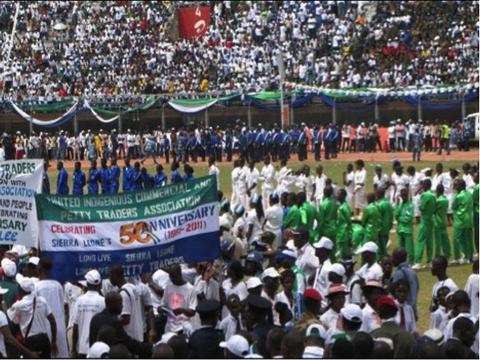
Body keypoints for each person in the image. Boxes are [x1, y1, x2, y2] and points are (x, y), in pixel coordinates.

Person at [89, 292, 152, 358]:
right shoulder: (114, 322)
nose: (122, 306)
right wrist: (148, 347)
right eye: (120, 303)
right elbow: (127, 342)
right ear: (113, 305)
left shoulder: (95, 318)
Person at [8, 274, 57, 358]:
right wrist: (53, 341)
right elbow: (52, 321)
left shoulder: (18, 306)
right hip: (45, 340)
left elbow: (12, 322)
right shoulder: (42, 300)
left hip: (31, 342)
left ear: (21, 290)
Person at [109, 265, 155, 343]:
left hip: (130, 336)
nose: (110, 279)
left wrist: (112, 322)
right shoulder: (132, 288)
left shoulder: (123, 293)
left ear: (116, 276)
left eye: (110, 276)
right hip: (138, 334)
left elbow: (126, 319)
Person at [35, 256, 68, 358]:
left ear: (39, 269)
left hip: (44, 330)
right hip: (59, 329)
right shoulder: (58, 285)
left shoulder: (36, 287)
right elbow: (62, 307)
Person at [72, 270, 106, 357]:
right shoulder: (103, 301)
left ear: (87, 283)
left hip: (82, 348)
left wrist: (73, 348)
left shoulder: (79, 300)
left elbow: (75, 326)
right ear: (99, 284)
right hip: (99, 349)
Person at [413, 179, 436, 269]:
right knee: (429, 241)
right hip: (431, 220)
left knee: (420, 241)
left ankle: (418, 261)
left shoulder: (425, 195)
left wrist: (419, 199)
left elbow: (421, 207)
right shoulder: (433, 195)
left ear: (425, 185)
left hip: (425, 220)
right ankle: (429, 261)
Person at [391, 248, 419, 316]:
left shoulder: (399, 273)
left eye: (393, 257)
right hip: (413, 308)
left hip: (403, 309)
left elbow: (393, 291)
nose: (392, 260)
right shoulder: (412, 272)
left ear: (397, 259)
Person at [452, 179, 474, 264]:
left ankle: (459, 257)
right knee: (468, 239)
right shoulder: (469, 194)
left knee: (457, 239)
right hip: (469, 220)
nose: (454, 187)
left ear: (460, 186)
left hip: (460, 220)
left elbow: (454, 206)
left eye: (456, 185)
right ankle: (470, 256)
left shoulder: (458, 196)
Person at [375, 187, 394, 259]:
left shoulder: (379, 205)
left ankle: (382, 259)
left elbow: (378, 218)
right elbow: (391, 215)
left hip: (381, 228)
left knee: (380, 247)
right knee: (384, 243)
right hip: (387, 227)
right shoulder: (388, 203)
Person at [434, 184, 451, 259]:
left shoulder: (437, 200)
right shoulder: (446, 199)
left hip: (437, 222)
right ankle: (447, 255)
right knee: (445, 240)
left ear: (437, 191)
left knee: (438, 241)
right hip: (443, 221)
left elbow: (433, 210)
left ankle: (437, 255)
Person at [336, 189, 352, 258]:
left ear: (343, 196)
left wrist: (349, 236)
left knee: (345, 254)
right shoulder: (340, 206)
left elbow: (349, 222)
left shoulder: (344, 207)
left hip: (344, 234)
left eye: (338, 194)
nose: (337, 196)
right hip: (340, 233)